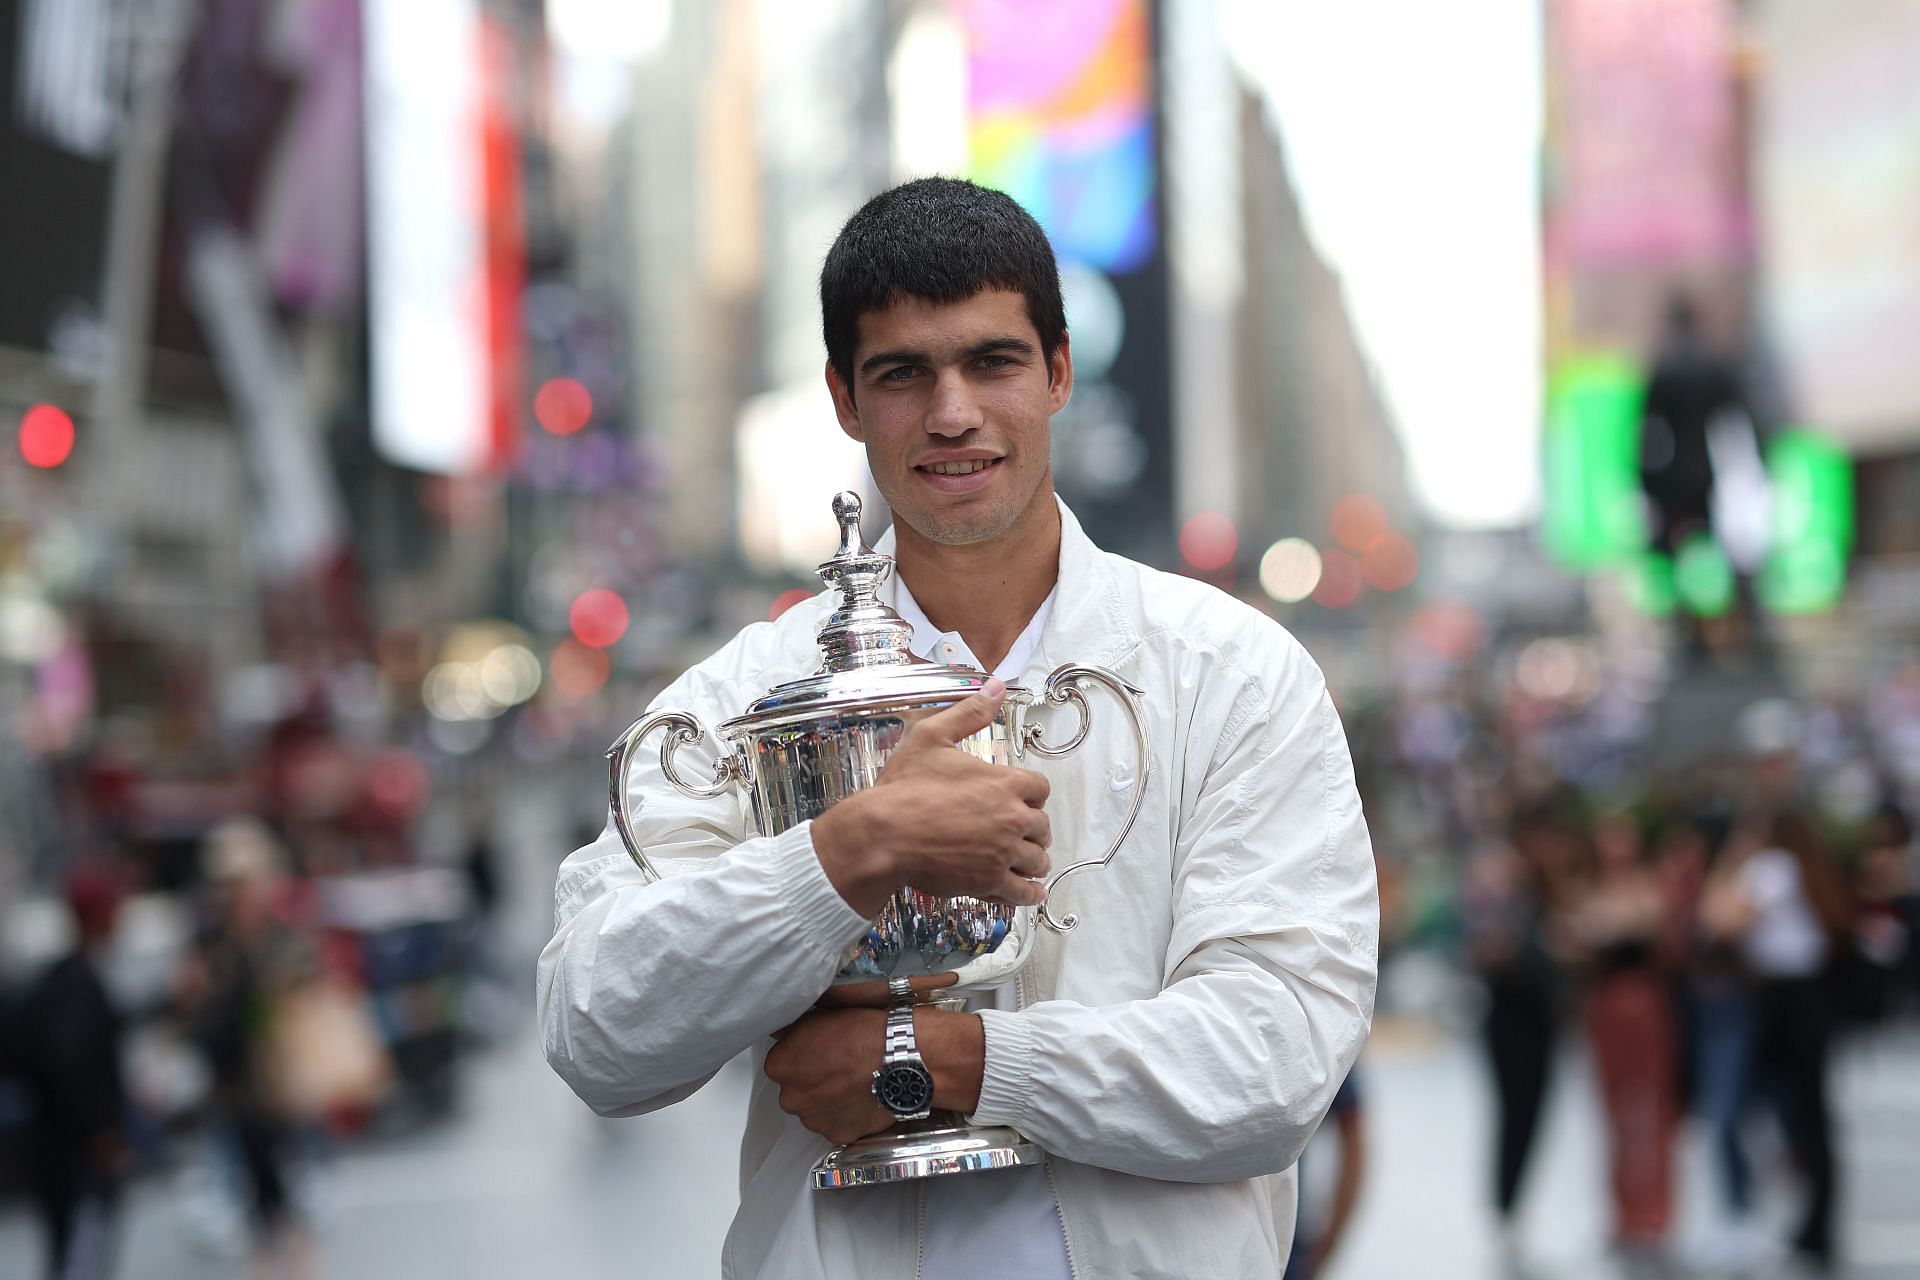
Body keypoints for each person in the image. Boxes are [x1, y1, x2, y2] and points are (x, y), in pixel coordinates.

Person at [538, 177, 1379, 1277]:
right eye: (903, 373)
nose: (951, 412)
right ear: (844, 397)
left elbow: (1278, 1057)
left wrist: (949, 1059)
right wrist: (842, 855)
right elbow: (596, 1029)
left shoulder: (1231, 672)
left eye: (992, 361)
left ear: (1059, 372)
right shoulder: (752, 690)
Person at [15, 859, 131, 1280]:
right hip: (74, 1155)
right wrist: (101, 1132)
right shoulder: (78, 982)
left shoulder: (63, 976)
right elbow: (71, 1061)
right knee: (79, 1259)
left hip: (54, 1148)